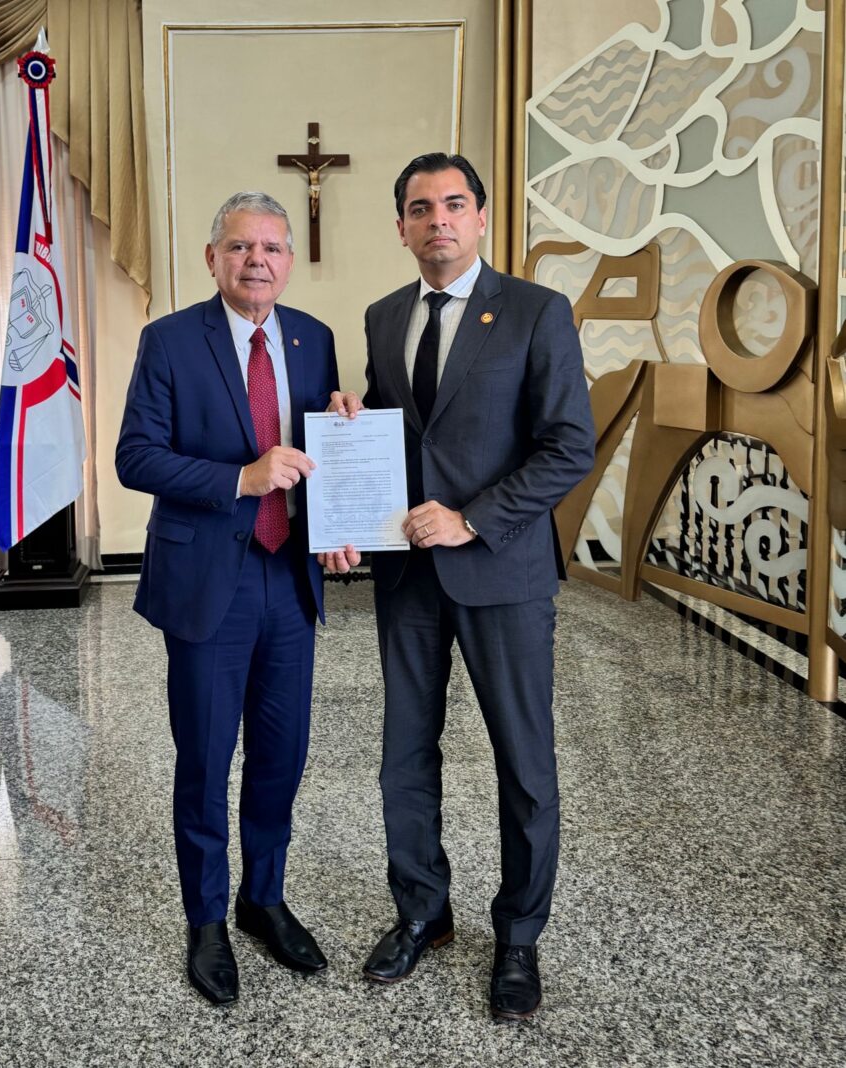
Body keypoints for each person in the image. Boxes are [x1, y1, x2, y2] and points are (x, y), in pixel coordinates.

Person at [325, 153, 595, 1020]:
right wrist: (352, 425)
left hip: (503, 571)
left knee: (524, 762)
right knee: (404, 754)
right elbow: (400, 433)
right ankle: (422, 912)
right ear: (401, 226)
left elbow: (569, 446)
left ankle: (518, 937)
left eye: (452, 204)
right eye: (419, 207)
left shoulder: (536, 311)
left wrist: (473, 519)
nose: (436, 218)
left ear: (479, 217)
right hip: (408, 575)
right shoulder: (383, 316)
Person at [116, 191, 355, 1005]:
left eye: (273, 248)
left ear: (289, 260)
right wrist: (240, 479)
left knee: (282, 754)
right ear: (212, 257)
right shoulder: (170, 340)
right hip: (208, 581)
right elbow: (135, 457)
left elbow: (322, 450)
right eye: (241, 247)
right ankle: (207, 919)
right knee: (207, 756)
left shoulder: (313, 338)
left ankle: (264, 898)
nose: (258, 260)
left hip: (290, 578)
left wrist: (343, 470)